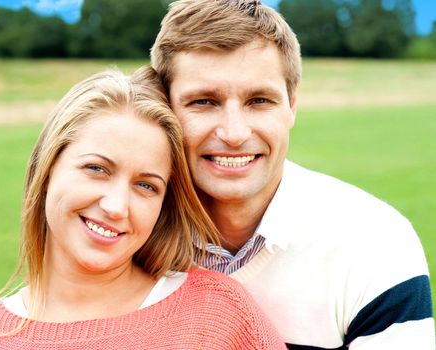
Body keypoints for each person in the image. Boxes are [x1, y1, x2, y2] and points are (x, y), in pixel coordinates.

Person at [0, 67, 287, 349]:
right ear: (47, 168)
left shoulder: (218, 316)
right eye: (97, 169)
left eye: (146, 185)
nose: (117, 206)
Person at [150, 0, 434, 349]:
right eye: (204, 102)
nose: (235, 133)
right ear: (164, 109)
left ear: (292, 106)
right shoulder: (126, 233)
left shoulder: (375, 243)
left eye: (259, 101)